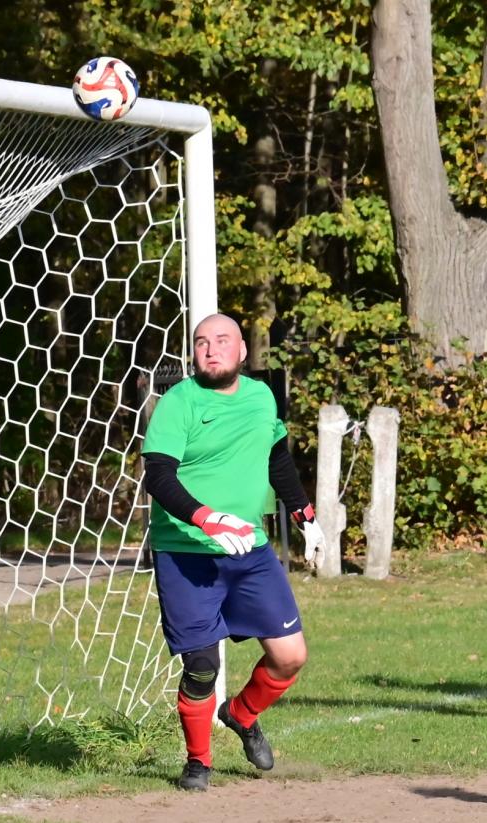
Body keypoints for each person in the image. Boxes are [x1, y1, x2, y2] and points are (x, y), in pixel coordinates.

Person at [142, 313, 326, 791]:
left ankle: (242, 715)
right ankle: (198, 763)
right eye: (201, 342)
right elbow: (157, 476)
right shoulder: (178, 402)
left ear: (242, 350)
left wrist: (306, 516)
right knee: (203, 666)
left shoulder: (261, 397)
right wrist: (206, 518)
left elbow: (277, 459)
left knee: (290, 656)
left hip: (250, 552)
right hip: (185, 553)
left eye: (222, 340)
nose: (211, 349)